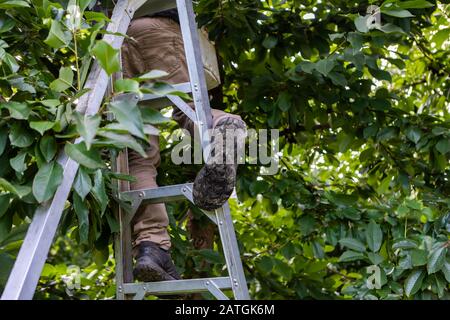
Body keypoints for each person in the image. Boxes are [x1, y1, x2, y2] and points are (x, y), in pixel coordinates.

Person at [120, 9, 247, 282]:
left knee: (136, 151)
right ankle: (223, 126)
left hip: (115, 40)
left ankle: (152, 245)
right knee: (188, 109)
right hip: (158, 29)